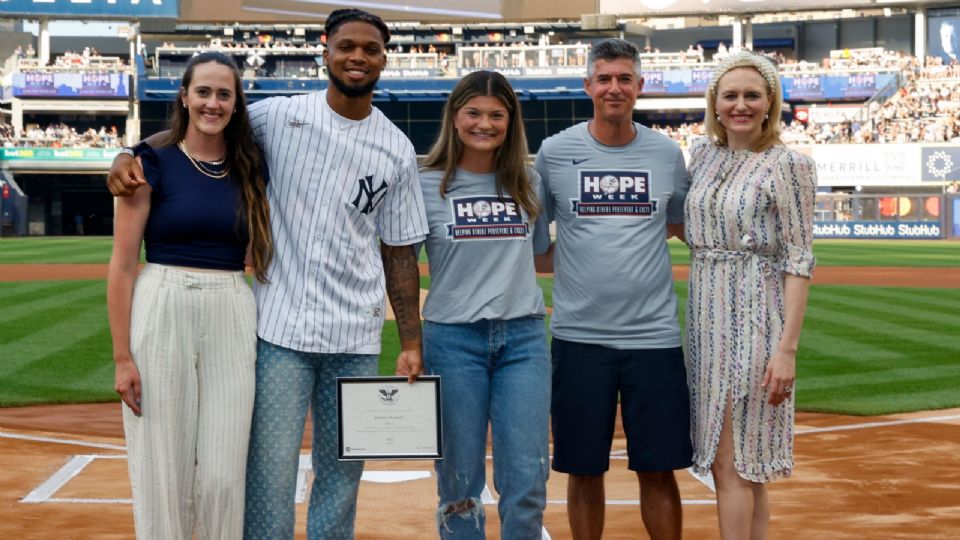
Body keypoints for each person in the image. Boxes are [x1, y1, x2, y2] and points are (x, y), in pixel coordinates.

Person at [107, 9, 428, 539]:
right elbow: (196, 129)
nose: (358, 57)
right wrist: (126, 152)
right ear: (325, 50)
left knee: (344, 471)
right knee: (267, 475)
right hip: (281, 330)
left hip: (357, 335)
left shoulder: (395, 146)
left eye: (370, 49)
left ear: (384, 57)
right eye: (347, 45)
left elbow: (399, 252)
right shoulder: (279, 116)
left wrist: (410, 340)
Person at [106, 51, 273, 539]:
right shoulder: (150, 163)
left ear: (237, 103)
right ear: (185, 96)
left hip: (230, 303)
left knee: (223, 472)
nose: (213, 103)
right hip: (163, 298)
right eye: (203, 91)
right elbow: (121, 265)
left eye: (224, 93)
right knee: (164, 465)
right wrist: (122, 359)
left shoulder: (250, 167)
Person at [531, 38, 692, 540]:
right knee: (583, 468)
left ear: (640, 86)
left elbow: (679, 225)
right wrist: (589, 260)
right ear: (588, 86)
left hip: (655, 338)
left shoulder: (667, 154)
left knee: (659, 467)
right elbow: (538, 248)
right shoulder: (555, 154)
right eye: (604, 79)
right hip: (580, 336)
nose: (614, 88)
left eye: (624, 79)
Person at [684, 50, 816, 539]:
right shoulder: (702, 155)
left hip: (755, 316)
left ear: (770, 103)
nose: (741, 105)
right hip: (704, 318)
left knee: (734, 463)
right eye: (731, 95)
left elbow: (799, 260)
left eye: (752, 96)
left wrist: (786, 350)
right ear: (714, 103)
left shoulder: (789, 165)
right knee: (743, 465)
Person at [419, 70, 549, 539]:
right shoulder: (425, 185)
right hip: (452, 341)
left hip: (524, 341)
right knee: (457, 481)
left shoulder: (528, 182)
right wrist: (411, 342)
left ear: (510, 121)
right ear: (455, 117)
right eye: (474, 113)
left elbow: (539, 253)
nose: (484, 124)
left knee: (527, 476)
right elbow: (395, 264)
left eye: (497, 115)